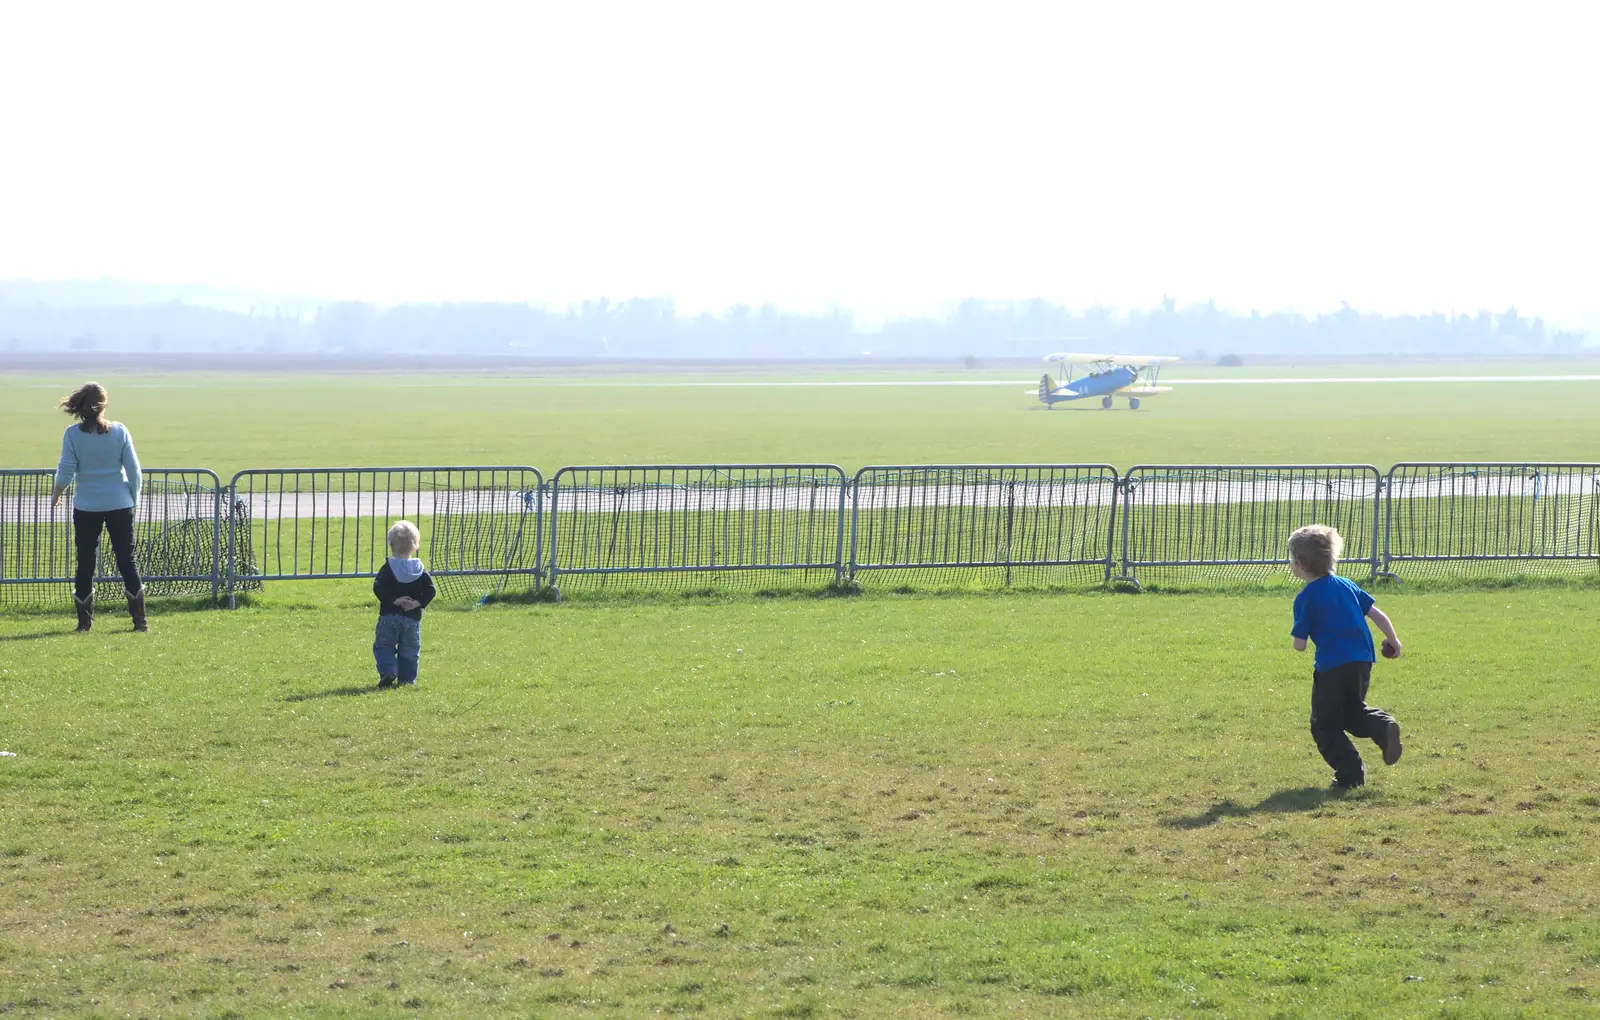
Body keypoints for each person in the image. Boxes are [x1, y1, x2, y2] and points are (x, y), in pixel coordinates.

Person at [1287, 524, 1404, 790]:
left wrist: (1298, 637)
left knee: (1324, 725)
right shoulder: (1347, 585)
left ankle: (1350, 772)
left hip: (1331, 666)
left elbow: (1300, 645)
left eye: (1291, 560)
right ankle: (1383, 726)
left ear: (1300, 564)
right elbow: (1377, 614)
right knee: (1351, 713)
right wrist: (1393, 641)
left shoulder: (1306, 597)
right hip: (1362, 661)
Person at [51, 382, 146, 633]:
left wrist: (56, 494)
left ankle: (84, 624)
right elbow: (135, 471)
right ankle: (140, 622)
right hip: (119, 504)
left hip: (86, 506)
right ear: (104, 405)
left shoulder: (72, 434)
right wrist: (133, 499)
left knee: (85, 564)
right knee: (127, 562)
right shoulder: (120, 431)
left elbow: (65, 472)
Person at [373, 520, 436, 688]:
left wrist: (394, 600)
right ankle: (407, 680)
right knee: (409, 650)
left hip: (389, 616)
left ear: (391, 546)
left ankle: (388, 671)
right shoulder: (419, 570)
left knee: (384, 645)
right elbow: (431, 590)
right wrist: (417, 603)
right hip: (412, 619)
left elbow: (378, 587)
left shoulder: (388, 568)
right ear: (415, 547)